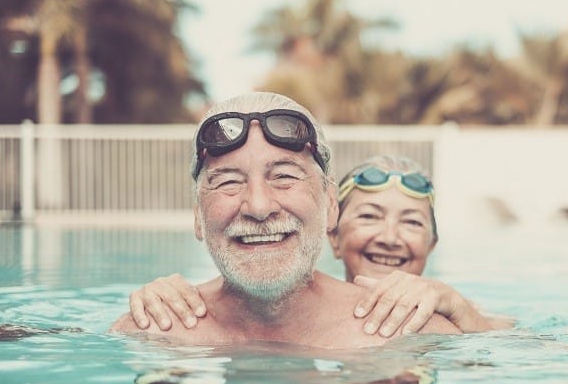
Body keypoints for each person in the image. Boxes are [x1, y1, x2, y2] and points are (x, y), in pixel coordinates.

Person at [111, 92, 462, 348]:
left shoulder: (412, 332)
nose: (259, 206)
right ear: (198, 218)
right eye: (229, 182)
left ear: (330, 205)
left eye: (284, 177)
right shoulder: (151, 333)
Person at [125, 157, 510, 335]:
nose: (389, 237)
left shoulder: (452, 317)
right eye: (369, 217)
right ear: (333, 235)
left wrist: (461, 312)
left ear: (433, 244)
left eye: (411, 222)